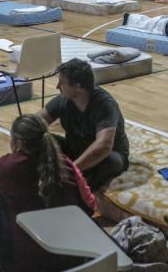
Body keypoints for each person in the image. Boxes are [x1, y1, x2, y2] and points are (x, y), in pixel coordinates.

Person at [0, 114, 96, 272]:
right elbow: (90, 206)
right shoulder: (66, 165)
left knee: (2, 207)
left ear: (18, 142)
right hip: (71, 261)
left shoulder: (3, 168)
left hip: (22, 266)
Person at [36, 59, 130, 191]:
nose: (57, 87)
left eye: (61, 82)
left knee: (110, 161)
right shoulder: (63, 101)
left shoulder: (104, 104)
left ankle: (80, 190)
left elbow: (104, 146)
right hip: (76, 148)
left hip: (106, 156)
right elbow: (33, 123)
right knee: (39, 139)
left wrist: (71, 170)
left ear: (77, 86)